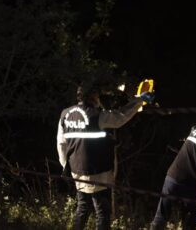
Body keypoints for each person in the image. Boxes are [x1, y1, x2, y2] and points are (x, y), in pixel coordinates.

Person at [57, 80, 155, 230]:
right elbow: (120, 117)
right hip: (98, 172)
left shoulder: (65, 114)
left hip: (77, 171)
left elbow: (61, 144)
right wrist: (139, 100)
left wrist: (66, 166)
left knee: (83, 208)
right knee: (102, 212)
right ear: (93, 96)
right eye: (97, 95)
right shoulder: (97, 116)